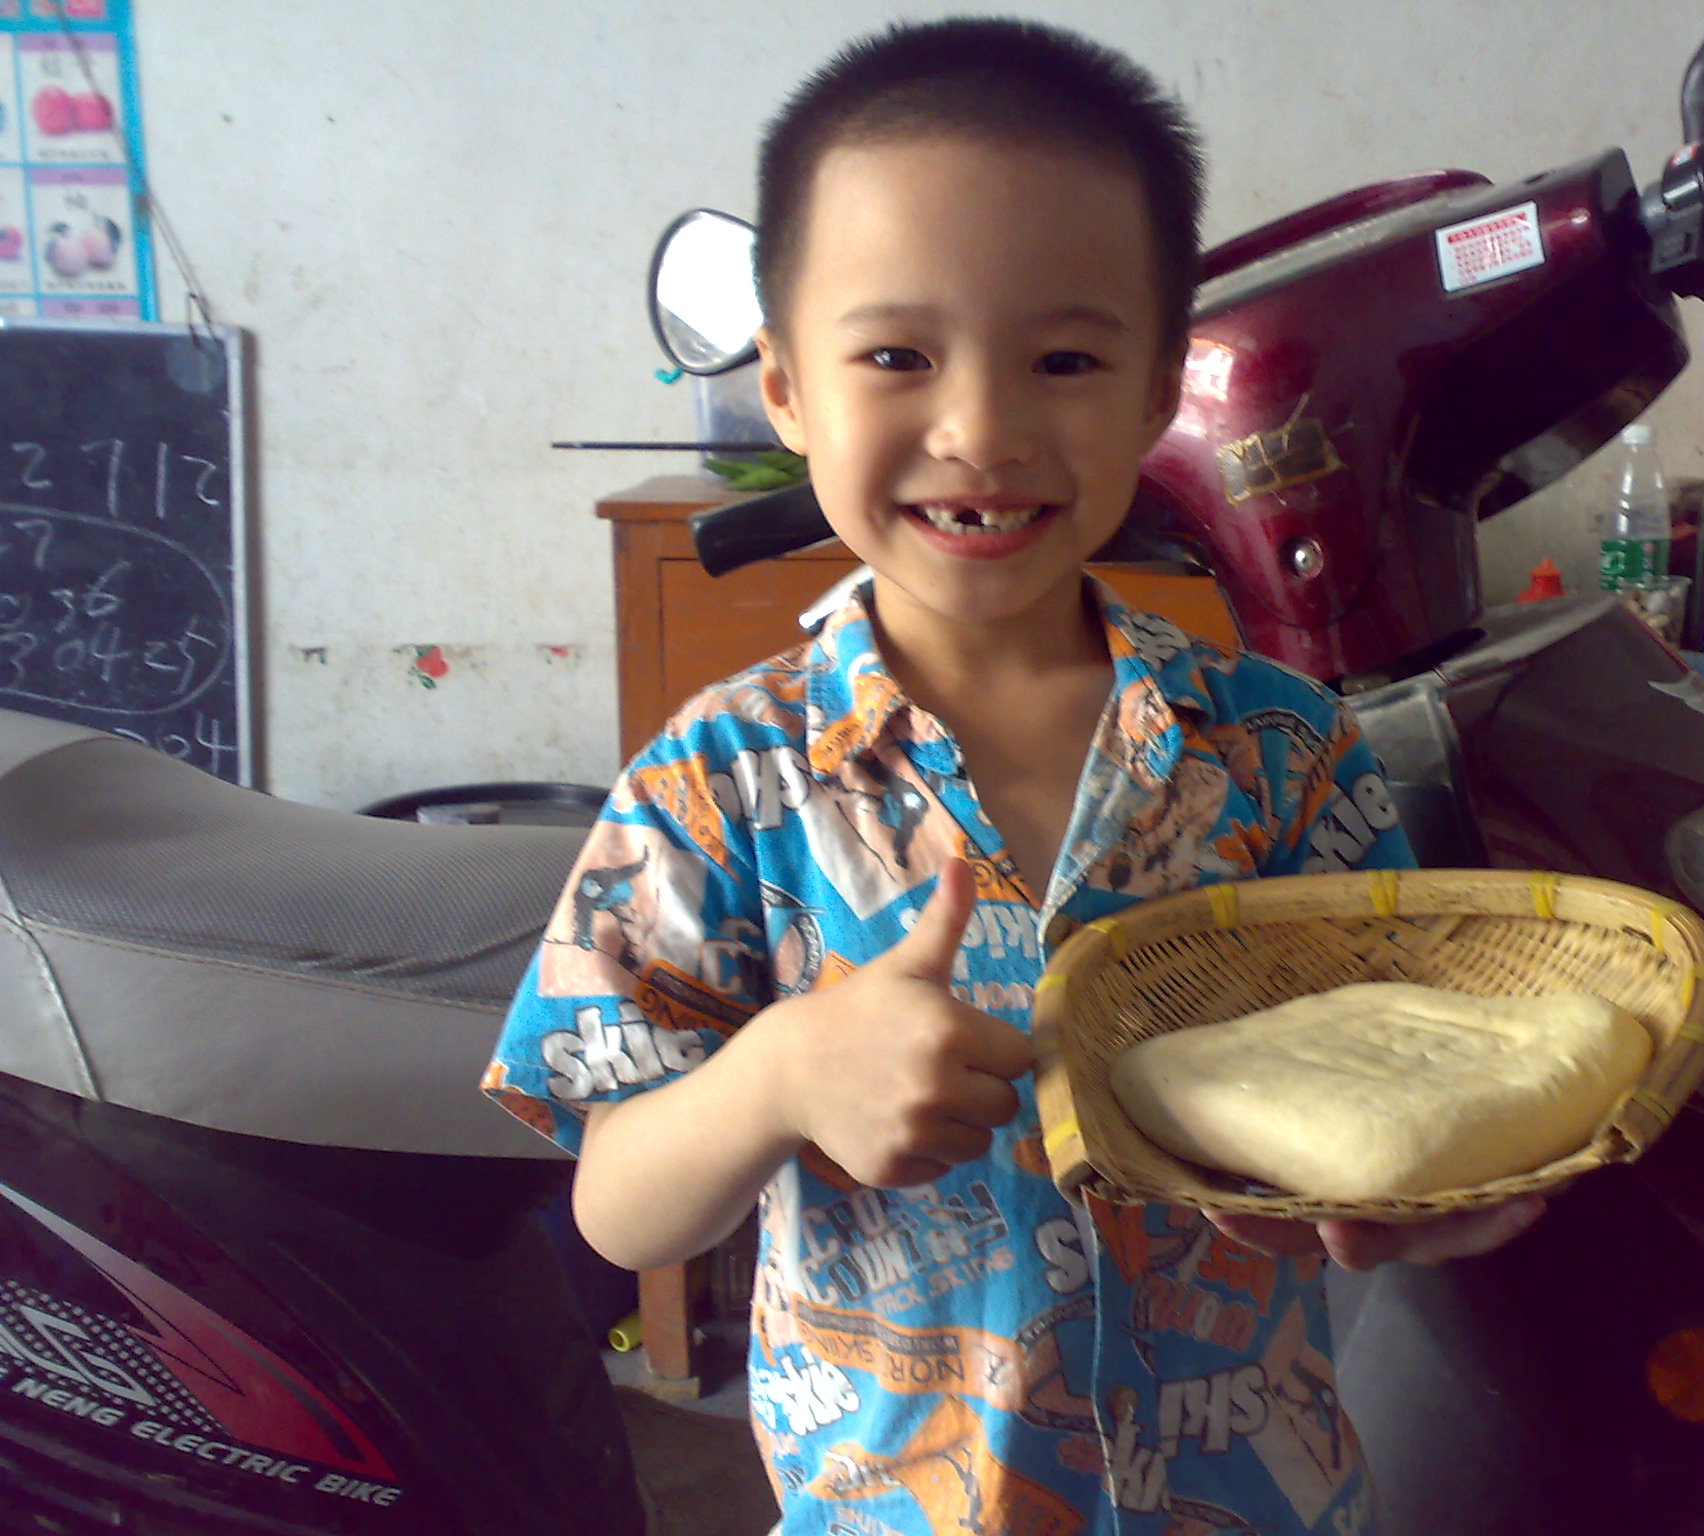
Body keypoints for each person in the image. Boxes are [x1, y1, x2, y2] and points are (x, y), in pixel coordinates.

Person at [484, 17, 1541, 1532]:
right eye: (896, 356)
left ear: (1159, 389)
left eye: (1064, 358)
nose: (980, 429)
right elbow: (616, 1207)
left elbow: (1389, 1089)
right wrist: (780, 1074)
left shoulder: (1283, 754)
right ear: (786, 388)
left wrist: (1420, 1189)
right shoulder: (714, 785)